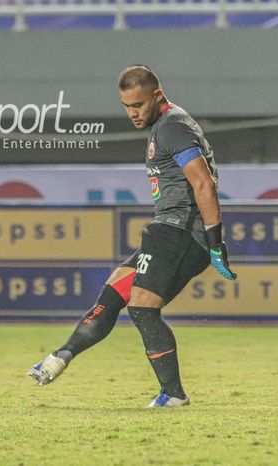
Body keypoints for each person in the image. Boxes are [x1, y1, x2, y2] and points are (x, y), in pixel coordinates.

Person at [28, 65, 237, 408]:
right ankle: (59, 357)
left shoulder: (172, 127)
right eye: (127, 106)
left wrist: (215, 241)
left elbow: (203, 184)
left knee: (142, 308)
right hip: (167, 230)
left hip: (181, 231)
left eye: (138, 105)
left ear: (157, 96)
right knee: (112, 294)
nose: (133, 113)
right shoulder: (165, 126)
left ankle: (173, 394)